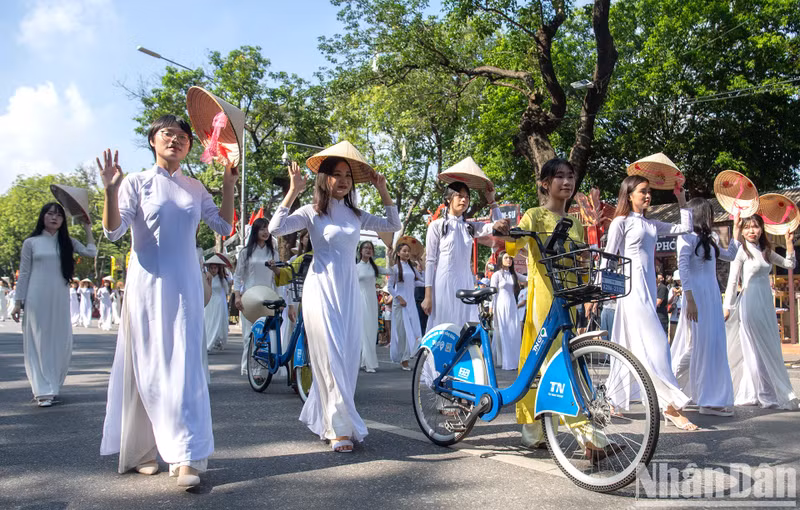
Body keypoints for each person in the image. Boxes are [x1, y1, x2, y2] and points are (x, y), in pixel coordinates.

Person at [98, 114, 235, 487]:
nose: (175, 140)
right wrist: (111, 191)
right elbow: (113, 232)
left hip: (187, 284)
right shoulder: (136, 182)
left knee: (186, 367)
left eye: (182, 136)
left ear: (191, 145)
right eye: (167, 134)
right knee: (148, 365)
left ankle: (186, 457)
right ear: (154, 141)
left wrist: (227, 186)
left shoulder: (194, 187)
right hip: (147, 285)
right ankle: (143, 450)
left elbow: (224, 227)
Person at [269, 151, 400, 453]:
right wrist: (292, 191)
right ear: (324, 179)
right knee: (330, 356)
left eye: (347, 177)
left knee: (347, 356)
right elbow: (276, 228)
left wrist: (383, 190)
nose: (342, 181)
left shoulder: (355, 214)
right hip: (320, 288)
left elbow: (392, 226)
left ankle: (329, 415)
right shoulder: (311, 212)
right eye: (336, 175)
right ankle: (338, 427)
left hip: (348, 290)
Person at [514, 158, 611, 453]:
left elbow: (580, 266)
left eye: (570, 176)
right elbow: (512, 245)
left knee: (542, 367)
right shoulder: (533, 216)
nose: (566, 182)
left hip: (567, 302)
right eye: (559, 177)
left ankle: (535, 434)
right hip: (543, 301)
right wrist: (506, 232)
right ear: (545, 183)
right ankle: (587, 436)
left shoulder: (576, 225)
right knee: (555, 364)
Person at [603, 174, 697, 430]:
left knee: (629, 345)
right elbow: (609, 256)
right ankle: (669, 405)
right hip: (631, 293)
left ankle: (613, 400)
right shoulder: (620, 222)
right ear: (629, 194)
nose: (647, 196)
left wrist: (681, 200)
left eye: (649, 192)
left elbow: (685, 228)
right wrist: (600, 288)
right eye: (642, 191)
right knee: (657, 346)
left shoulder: (652, 224)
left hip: (647, 290)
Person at [11, 202, 96, 406]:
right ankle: (42, 390)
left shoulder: (68, 242)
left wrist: (88, 229)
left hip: (59, 298)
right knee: (38, 341)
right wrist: (17, 302)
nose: (54, 218)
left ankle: (53, 385)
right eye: (50, 214)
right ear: (43, 217)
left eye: (59, 215)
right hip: (36, 297)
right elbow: (24, 274)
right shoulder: (31, 243)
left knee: (59, 341)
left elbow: (91, 253)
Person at [670, 199, 740, 416]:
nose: (711, 217)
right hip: (697, 295)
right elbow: (682, 267)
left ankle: (701, 395)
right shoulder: (686, 236)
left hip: (711, 293)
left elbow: (730, 255)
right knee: (697, 345)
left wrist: (736, 228)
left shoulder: (711, 238)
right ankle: (678, 389)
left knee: (712, 344)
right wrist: (689, 299)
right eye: (709, 213)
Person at [724, 215, 799, 410]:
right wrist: (727, 307)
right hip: (749, 304)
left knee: (770, 346)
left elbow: (789, 265)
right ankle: (765, 395)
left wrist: (789, 243)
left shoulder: (765, 251)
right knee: (756, 349)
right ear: (743, 230)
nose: (751, 231)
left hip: (766, 303)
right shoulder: (741, 250)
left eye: (755, 227)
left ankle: (758, 391)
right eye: (747, 228)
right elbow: (732, 281)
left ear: (761, 229)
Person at [422, 182, 508, 331]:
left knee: (465, 326)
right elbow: (430, 262)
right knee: (444, 327)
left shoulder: (470, 227)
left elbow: (498, 226)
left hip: (466, 282)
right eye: (460, 196)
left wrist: (492, 201)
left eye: (467, 197)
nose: (464, 200)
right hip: (444, 284)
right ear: (448, 199)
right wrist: (428, 296)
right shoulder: (437, 226)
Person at [233, 218, 281, 375]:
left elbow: (278, 278)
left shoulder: (273, 253)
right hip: (250, 296)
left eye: (267, 229)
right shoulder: (245, 252)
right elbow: (238, 276)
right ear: (255, 231)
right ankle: (248, 367)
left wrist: (276, 270)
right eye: (262, 229)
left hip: (268, 296)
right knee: (249, 333)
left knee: (266, 334)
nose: (265, 232)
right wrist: (237, 296)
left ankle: (262, 368)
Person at [388, 241, 424, 370]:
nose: (407, 253)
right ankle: (404, 359)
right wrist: (399, 297)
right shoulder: (395, 269)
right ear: (398, 253)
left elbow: (421, 282)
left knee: (415, 330)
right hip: (400, 304)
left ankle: (410, 354)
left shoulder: (412, 268)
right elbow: (389, 287)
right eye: (404, 251)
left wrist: (420, 263)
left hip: (411, 303)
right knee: (402, 332)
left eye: (408, 251)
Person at [489, 251, 527, 370]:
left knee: (514, 333)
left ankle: (515, 362)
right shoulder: (497, 275)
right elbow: (492, 293)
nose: (509, 260)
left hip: (512, 306)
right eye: (506, 258)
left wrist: (529, 261)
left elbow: (528, 278)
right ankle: (507, 363)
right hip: (501, 306)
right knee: (504, 334)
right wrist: (491, 309)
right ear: (501, 260)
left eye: (510, 258)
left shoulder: (513, 274)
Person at [356, 240, 388, 373]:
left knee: (371, 329)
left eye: (370, 248)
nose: (368, 250)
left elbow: (390, 271)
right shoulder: (356, 267)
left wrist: (391, 257)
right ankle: (368, 363)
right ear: (360, 251)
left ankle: (365, 360)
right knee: (362, 331)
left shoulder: (374, 267)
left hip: (372, 301)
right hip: (359, 300)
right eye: (365, 248)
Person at [204, 256, 232, 353]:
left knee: (216, 322)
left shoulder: (222, 279)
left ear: (218, 269)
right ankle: (208, 341)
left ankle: (211, 343)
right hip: (209, 302)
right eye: (211, 268)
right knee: (209, 322)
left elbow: (227, 291)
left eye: (215, 268)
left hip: (219, 302)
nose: (213, 270)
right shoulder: (207, 278)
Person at [668, 271, 682, 343]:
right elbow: (668, 302)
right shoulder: (672, 289)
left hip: (684, 318)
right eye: (677, 280)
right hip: (674, 318)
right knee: (673, 340)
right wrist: (674, 295)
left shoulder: (687, 289)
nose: (679, 281)